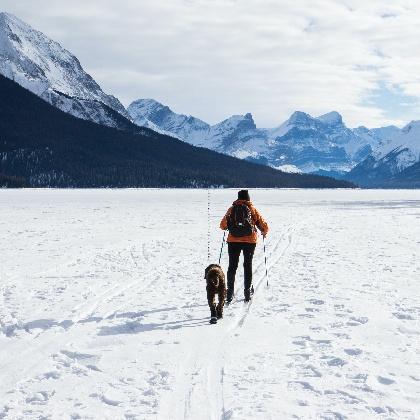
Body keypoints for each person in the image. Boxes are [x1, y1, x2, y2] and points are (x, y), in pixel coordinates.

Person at [220, 190, 269, 303]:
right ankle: (247, 292)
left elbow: (222, 225)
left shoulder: (232, 209)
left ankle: (230, 293)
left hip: (233, 241)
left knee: (232, 266)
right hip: (250, 241)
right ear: (248, 198)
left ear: (238, 198)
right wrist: (264, 232)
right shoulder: (252, 209)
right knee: (247, 265)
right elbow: (263, 225)